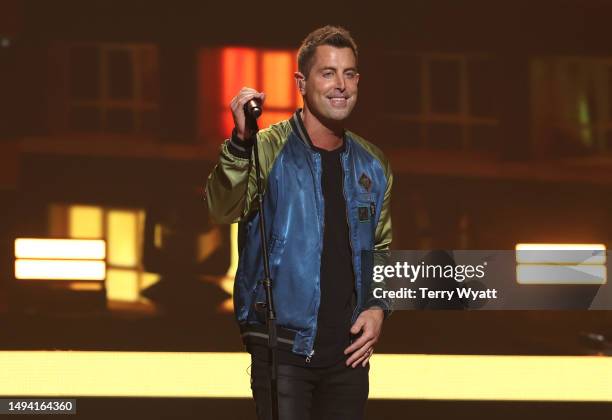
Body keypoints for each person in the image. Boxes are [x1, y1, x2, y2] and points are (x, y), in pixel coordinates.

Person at [205, 25, 393, 420]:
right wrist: (239, 144)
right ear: (302, 83)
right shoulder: (265, 148)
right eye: (328, 73)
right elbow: (222, 209)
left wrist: (378, 306)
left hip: (349, 356)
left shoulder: (373, 164)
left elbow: (380, 249)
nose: (341, 85)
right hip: (282, 350)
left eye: (350, 73)